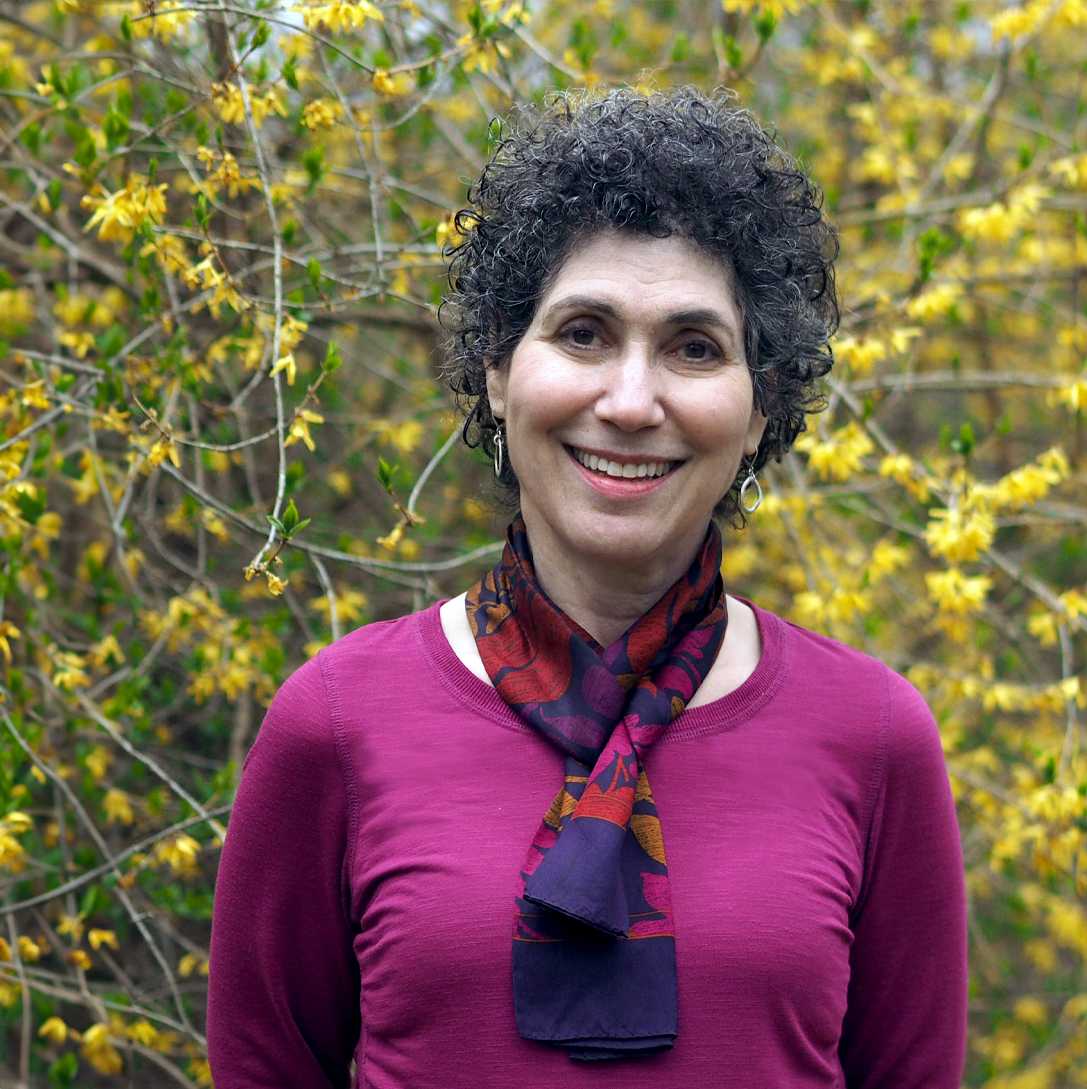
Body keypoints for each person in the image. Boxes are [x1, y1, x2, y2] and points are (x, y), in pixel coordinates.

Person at [206, 86, 967, 1088]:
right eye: (583, 334)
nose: (631, 400)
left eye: (695, 349)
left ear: (758, 409)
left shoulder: (872, 736)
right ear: (495, 372)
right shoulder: (337, 723)